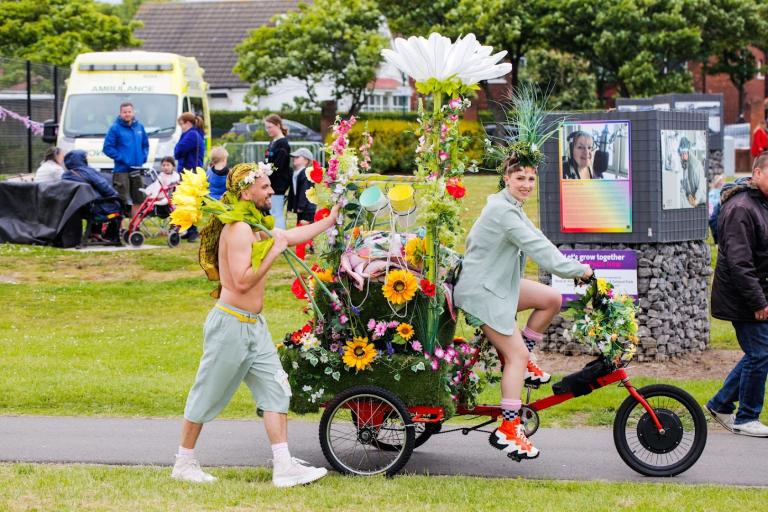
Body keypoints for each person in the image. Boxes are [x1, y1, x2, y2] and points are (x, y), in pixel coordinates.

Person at [172, 163, 339, 487]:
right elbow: (241, 283)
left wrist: (329, 220)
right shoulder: (237, 230)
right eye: (265, 187)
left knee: (276, 390)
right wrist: (272, 254)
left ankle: (283, 466)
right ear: (246, 192)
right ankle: (184, 462)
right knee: (207, 393)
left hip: (254, 327)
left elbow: (288, 236)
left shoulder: (254, 225)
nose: (271, 191)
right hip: (230, 328)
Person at [453, 151, 593, 460]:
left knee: (551, 299)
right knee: (514, 355)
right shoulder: (503, 211)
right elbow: (538, 250)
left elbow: (537, 237)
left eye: (531, 178)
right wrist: (577, 270)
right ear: (506, 178)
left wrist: (572, 265)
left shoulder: (510, 206)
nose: (527, 184)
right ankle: (509, 426)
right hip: (483, 292)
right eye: (520, 178)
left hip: (498, 283)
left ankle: (525, 358)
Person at [706, 153, 768, 437]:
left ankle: (720, 403)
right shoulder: (741, 208)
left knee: (760, 352)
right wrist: (758, 302)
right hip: (743, 298)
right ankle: (746, 417)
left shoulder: (760, 203)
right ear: (756, 173)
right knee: (760, 354)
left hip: (755, 293)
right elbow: (739, 262)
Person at [102, 102, 149, 219]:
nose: (127, 114)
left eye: (129, 112)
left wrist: (143, 157)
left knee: (139, 197)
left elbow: (145, 145)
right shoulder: (115, 128)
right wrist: (122, 158)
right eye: (124, 112)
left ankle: (134, 226)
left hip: (137, 169)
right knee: (122, 199)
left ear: (133, 112)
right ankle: (120, 228)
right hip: (121, 170)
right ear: (120, 113)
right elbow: (107, 148)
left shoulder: (140, 127)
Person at [175, 112, 206, 242]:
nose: (181, 127)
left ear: (187, 123)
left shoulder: (191, 135)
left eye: (181, 124)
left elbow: (178, 151)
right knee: (188, 202)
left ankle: (192, 231)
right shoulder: (195, 134)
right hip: (192, 172)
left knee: (189, 202)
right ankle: (189, 229)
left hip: (190, 173)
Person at [287, 148, 317, 257]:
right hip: (302, 206)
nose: (294, 159)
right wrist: (291, 206)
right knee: (304, 228)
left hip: (307, 207)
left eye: (297, 157)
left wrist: (301, 206)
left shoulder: (305, 173)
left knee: (303, 228)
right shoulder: (296, 173)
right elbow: (293, 191)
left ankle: (302, 252)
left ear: (305, 160)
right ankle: (310, 247)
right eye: (294, 157)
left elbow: (305, 191)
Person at [264, 114, 291, 229]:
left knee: (276, 213)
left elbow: (277, 167)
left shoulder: (283, 144)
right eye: (266, 127)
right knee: (272, 212)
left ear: (278, 125)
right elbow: (268, 161)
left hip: (278, 185)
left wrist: (266, 179)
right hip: (271, 183)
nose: (267, 130)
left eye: (270, 127)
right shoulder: (273, 142)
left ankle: (281, 239)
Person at [677, 136, 706, 208]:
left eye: (684, 154)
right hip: (691, 201)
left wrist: (695, 201)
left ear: (688, 151)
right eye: (681, 154)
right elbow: (684, 183)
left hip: (700, 202)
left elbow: (700, 186)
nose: (682, 157)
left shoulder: (696, 166)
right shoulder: (684, 164)